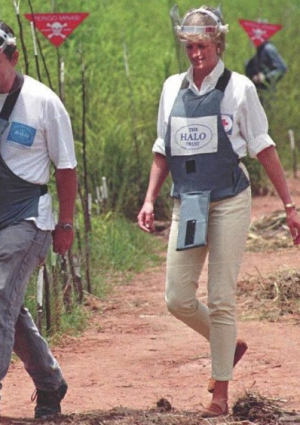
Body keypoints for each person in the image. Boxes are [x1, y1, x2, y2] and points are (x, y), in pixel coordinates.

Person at [137, 6, 300, 418]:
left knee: (222, 297)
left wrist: (290, 204)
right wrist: (149, 199)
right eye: (190, 46)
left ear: (219, 44)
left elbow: (264, 147)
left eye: (203, 46)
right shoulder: (171, 88)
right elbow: (162, 148)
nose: (196, 54)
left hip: (229, 200)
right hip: (187, 201)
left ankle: (220, 394)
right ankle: (229, 344)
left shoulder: (240, 89)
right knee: (177, 297)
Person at [0, 21, 77, 419]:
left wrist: (65, 223)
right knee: (9, 306)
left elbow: (66, 168)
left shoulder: (44, 103)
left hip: (31, 221)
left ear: (12, 57)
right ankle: (49, 382)